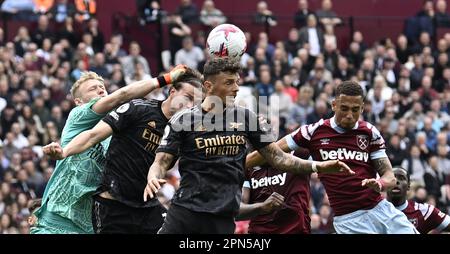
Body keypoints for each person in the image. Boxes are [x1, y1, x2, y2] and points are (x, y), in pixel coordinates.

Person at [142, 57, 353, 234]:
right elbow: (161, 161)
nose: (236, 88)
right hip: (185, 214)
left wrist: (317, 166)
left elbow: (278, 157)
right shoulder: (183, 119)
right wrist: (153, 176)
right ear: (208, 86)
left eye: (237, 81)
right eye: (229, 82)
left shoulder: (246, 118)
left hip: (222, 217)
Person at [31, 65, 190, 234]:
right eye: (93, 88)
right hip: (57, 218)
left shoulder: (116, 129)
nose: (101, 91)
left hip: (89, 225)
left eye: (103, 87)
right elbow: (121, 96)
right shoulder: (78, 116)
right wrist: (166, 79)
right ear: (79, 101)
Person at [246, 80, 419, 234]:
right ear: (334, 105)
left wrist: (379, 184)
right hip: (349, 221)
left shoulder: (369, 132)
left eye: (355, 109)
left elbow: (389, 176)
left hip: (381, 209)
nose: (349, 115)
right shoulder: (312, 132)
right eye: (344, 108)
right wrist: (235, 164)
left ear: (362, 107)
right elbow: (271, 151)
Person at [237, 149, 312, 234]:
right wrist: (261, 207)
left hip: (295, 230)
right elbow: (236, 211)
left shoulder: (297, 154)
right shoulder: (247, 167)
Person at [387, 167, 450, 234]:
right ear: (385, 184)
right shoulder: (375, 212)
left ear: (408, 186)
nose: (396, 181)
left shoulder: (425, 212)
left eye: (401, 178)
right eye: (392, 178)